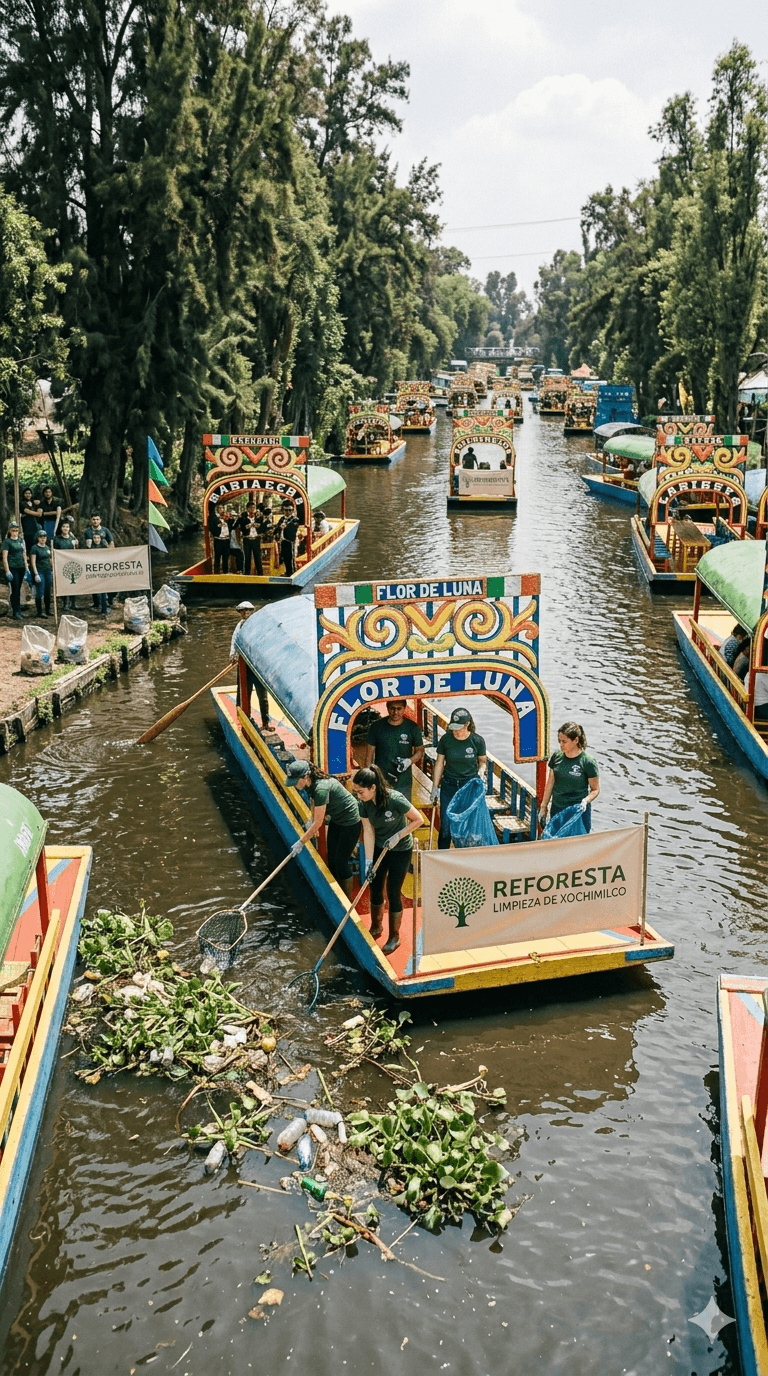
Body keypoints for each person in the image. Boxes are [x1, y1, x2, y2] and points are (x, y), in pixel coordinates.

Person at [351, 765, 422, 953]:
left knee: (393, 891)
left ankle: (394, 936)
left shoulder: (395, 799)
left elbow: (418, 819)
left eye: (361, 792)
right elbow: (368, 830)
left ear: (373, 787)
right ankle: (376, 925)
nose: (359, 795)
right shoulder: (363, 804)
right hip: (379, 847)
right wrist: (368, 862)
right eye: (356, 792)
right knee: (375, 886)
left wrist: (399, 835)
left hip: (400, 849)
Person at [285, 760, 361, 898]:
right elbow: (314, 802)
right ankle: (335, 890)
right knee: (331, 858)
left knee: (341, 862)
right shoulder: (310, 785)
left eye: (296, 781)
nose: (295, 785)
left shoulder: (321, 788)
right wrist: (311, 818)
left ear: (306, 777)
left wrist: (300, 842)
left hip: (351, 822)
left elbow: (318, 823)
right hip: (337, 820)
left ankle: (347, 901)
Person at [431, 708, 487, 849]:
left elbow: (482, 762)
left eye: (459, 728)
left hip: (468, 788)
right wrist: (434, 787)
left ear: (467, 724)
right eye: (453, 728)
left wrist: (481, 772)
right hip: (449, 786)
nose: (455, 732)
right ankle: (442, 858)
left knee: (467, 827)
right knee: (445, 828)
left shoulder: (477, 741)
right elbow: (439, 763)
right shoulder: (446, 740)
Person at [539, 721, 600, 834]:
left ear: (576, 740)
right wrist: (543, 807)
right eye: (559, 741)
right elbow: (550, 783)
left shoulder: (587, 762)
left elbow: (595, 789)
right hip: (558, 810)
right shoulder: (557, 756)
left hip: (578, 813)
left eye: (564, 742)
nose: (561, 745)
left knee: (577, 845)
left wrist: (585, 801)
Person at [363, 700, 423, 800]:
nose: (395, 712)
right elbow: (368, 757)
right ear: (387, 708)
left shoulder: (413, 727)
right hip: (381, 781)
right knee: (382, 811)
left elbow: (420, 751)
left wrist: (409, 761)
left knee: (403, 813)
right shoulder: (376, 727)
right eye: (392, 708)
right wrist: (369, 780)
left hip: (404, 782)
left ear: (404, 708)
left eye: (399, 709)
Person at [230, 601, 271, 728]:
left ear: (252, 612)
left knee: (262, 696)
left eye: (248, 611)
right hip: (244, 665)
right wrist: (233, 655)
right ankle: (242, 717)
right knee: (243, 692)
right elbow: (234, 641)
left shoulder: (258, 625)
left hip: (257, 666)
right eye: (243, 611)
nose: (246, 613)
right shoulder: (240, 626)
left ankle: (265, 722)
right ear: (240, 613)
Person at [83, 514, 115, 610]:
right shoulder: (87, 532)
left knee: (108, 581)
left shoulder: (105, 530)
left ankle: (109, 599)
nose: (95, 521)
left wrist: (109, 554)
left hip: (105, 561)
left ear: (100, 520)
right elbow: (85, 546)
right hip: (92, 561)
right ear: (90, 520)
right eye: (93, 519)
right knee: (94, 581)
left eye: (97, 519)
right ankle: (96, 602)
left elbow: (112, 543)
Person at [2, 520, 29, 620]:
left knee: (19, 588)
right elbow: (5, 557)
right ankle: (15, 611)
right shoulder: (7, 542)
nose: (15, 532)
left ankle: (18, 610)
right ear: (10, 531)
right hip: (13, 568)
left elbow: (24, 554)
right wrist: (7, 570)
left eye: (16, 530)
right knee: (15, 589)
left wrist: (26, 567)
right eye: (13, 530)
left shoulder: (21, 541)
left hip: (21, 567)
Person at [54, 519, 78, 610]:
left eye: (67, 527)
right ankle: (65, 603)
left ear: (69, 528)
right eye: (64, 527)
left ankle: (73, 603)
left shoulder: (73, 539)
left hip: (72, 564)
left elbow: (76, 551)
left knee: (73, 583)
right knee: (63, 584)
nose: (65, 528)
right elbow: (55, 552)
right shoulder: (57, 539)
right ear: (61, 528)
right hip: (61, 564)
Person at [238, 501, 266, 576]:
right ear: (247, 508)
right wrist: (246, 527)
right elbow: (240, 527)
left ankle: (260, 575)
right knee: (247, 558)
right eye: (251, 507)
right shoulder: (243, 517)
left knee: (258, 558)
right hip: (247, 539)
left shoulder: (259, 517)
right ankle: (247, 575)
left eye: (254, 508)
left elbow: (264, 528)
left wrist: (259, 526)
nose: (253, 509)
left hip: (256, 539)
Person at [30, 529, 53, 618]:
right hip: (40, 571)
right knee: (40, 591)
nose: (43, 539)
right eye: (41, 537)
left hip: (47, 571)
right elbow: (33, 562)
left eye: (44, 537)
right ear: (38, 538)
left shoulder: (47, 548)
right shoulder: (35, 548)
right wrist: (36, 574)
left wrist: (52, 569)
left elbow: (50, 560)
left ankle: (48, 610)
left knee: (48, 591)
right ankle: (39, 611)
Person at [276, 501, 301, 577]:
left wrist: (286, 526)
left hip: (290, 540)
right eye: (286, 510)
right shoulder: (282, 518)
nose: (288, 512)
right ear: (283, 510)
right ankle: (287, 571)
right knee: (284, 556)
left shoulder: (294, 519)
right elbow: (277, 528)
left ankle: (292, 573)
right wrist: (280, 527)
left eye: (290, 510)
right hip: (282, 540)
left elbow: (294, 528)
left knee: (291, 557)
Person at [210, 504, 230, 574]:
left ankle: (225, 572)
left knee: (226, 557)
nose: (222, 509)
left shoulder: (227, 517)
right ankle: (216, 573)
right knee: (217, 557)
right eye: (220, 508)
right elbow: (211, 528)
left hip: (226, 540)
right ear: (217, 510)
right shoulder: (214, 518)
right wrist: (218, 526)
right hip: (218, 540)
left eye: (223, 508)